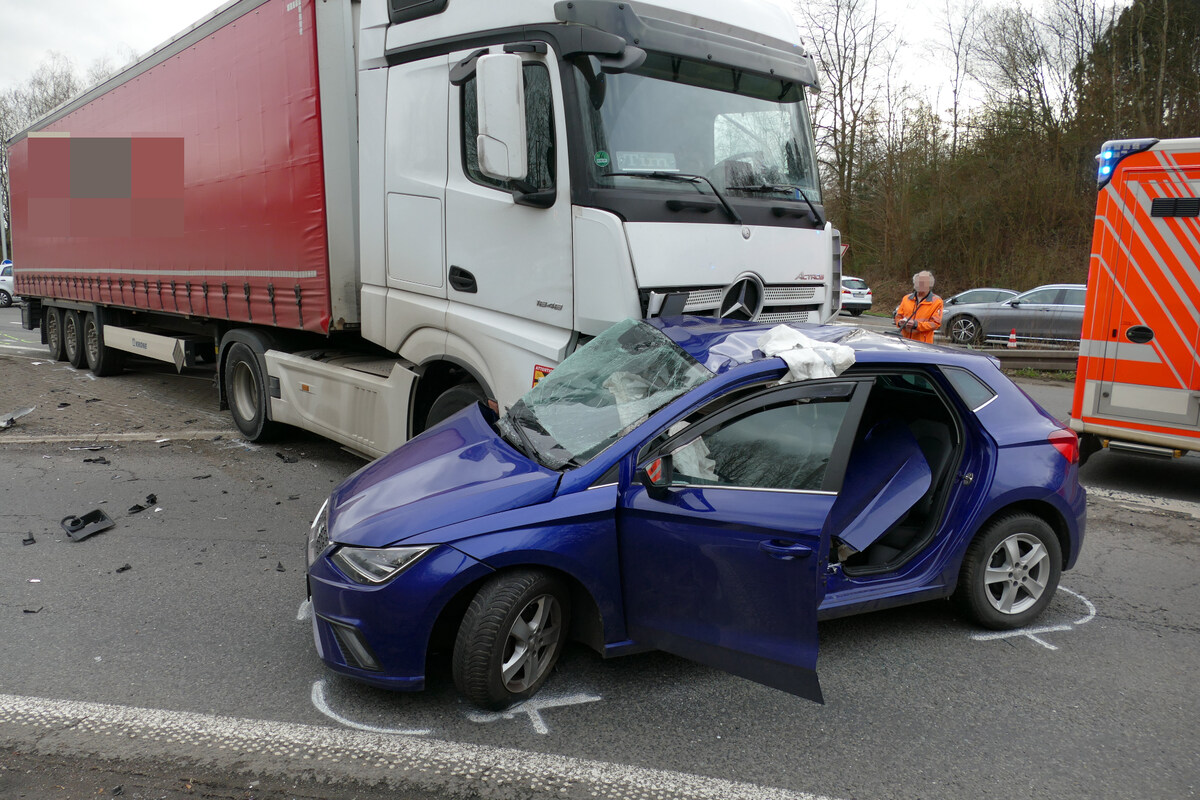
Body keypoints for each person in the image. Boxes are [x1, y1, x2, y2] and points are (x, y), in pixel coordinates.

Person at [894, 270, 943, 344]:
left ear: (930, 285)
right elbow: (898, 316)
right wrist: (900, 323)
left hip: (923, 344)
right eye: (918, 282)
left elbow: (935, 324)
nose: (920, 284)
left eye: (923, 282)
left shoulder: (937, 301)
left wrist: (916, 325)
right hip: (904, 341)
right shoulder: (906, 298)